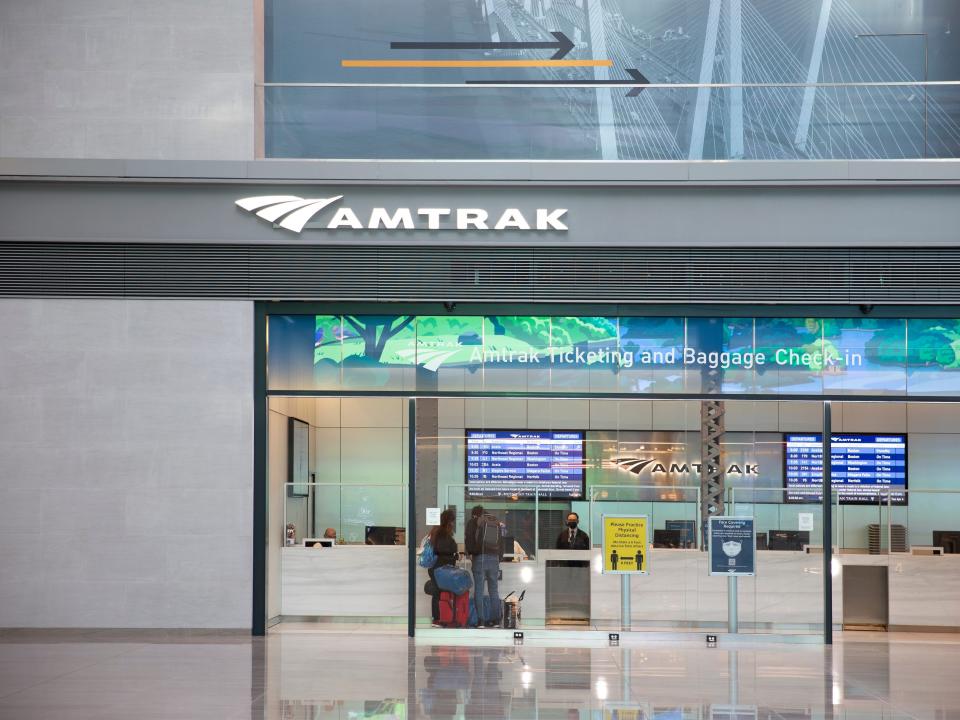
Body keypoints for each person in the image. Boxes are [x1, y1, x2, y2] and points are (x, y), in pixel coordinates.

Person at [465, 505, 501, 628]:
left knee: (479, 590)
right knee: (494, 590)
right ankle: (496, 620)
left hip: (480, 558)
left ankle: (481, 621)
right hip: (494, 559)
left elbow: (469, 539)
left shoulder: (473, 522)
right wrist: (498, 559)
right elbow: (500, 542)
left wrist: (471, 552)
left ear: (474, 515)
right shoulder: (494, 522)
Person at [428, 509, 459, 627]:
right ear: (449, 521)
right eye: (452, 521)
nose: (453, 524)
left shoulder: (436, 531)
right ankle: (438, 619)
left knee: (438, 592)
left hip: (436, 567)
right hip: (440, 568)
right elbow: (444, 550)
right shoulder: (443, 534)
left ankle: (438, 618)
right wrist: (454, 554)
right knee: (439, 593)